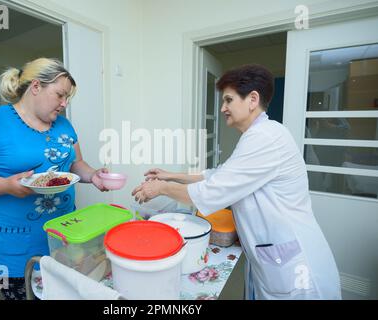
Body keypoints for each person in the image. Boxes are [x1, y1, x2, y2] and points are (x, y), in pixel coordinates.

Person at [132, 64, 341, 300]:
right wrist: (170, 175)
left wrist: (160, 188)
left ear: (252, 99)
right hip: (273, 258)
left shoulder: (265, 138)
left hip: (296, 270)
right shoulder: (257, 135)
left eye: (228, 100)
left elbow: (213, 191)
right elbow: (218, 175)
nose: (223, 108)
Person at [0, 57, 109, 300]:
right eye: (60, 95)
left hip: (63, 233)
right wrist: (5, 185)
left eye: (67, 98)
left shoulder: (63, 124)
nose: (64, 104)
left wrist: (93, 175)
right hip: (15, 241)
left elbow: (75, 163)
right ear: (36, 86)